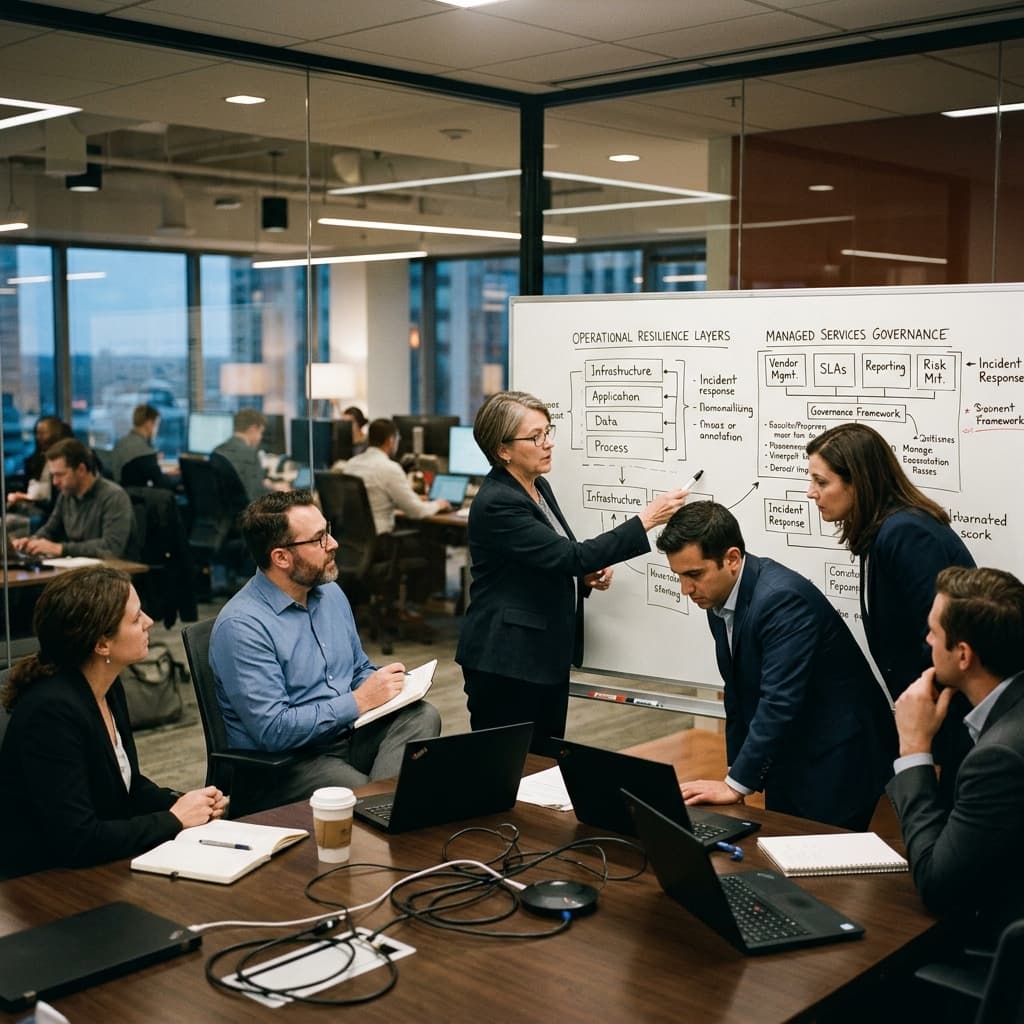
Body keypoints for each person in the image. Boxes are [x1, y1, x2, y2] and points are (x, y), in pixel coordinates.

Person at [454, 391, 689, 755]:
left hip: (539, 653)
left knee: (544, 759)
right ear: (503, 450)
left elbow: (548, 559)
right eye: (535, 437)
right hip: (506, 659)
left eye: (548, 432)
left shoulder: (536, 485)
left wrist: (583, 577)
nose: (548, 444)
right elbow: (570, 554)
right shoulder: (498, 502)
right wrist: (646, 520)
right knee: (506, 766)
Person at [656, 501, 894, 830]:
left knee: (817, 864)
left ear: (732, 560)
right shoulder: (719, 599)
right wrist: (735, 776)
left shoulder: (781, 600)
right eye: (679, 576)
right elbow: (737, 692)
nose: (685, 590)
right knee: (783, 847)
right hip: (792, 750)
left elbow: (778, 700)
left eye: (694, 575)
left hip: (839, 754)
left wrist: (735, 784)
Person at [209, 490, 441, 810]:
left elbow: (356, 667)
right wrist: (359, 701)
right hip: (289, 764)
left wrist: (389, 687)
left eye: (328, 531)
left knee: (420, 716)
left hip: (346, 736)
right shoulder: (242, 626)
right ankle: (382, 811)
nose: (333, 544)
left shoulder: (329, 593)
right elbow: (274, 730)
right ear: (281, 557)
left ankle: (382, 809)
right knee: (373, 795)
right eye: (319, 539)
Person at [0, 566, 227, 875]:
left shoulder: (106, 685)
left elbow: (125, 787)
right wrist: (174, 819)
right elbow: (77, 839)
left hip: (97, 862)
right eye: (135, 619)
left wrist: (183, 801)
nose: (149, 622)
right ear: (102, 644)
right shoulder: (51, 714)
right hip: (44, 881)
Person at [887, 566, 1024, 945]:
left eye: (934, 631)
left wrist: (914, 750)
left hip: (994, 956)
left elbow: (936, 886)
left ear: (963, 654)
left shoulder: (999, 757)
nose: (927, 639)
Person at [805, 422, 975, 702]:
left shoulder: (905, 533)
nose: (811, 492)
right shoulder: (883, 530)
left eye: (822, 482)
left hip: (946, 709)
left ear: (858, 482)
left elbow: (942, 636)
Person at [13, 437, 137, 560]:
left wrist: (61, 548)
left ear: (81, 470)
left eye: (60, 475)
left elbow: (111, 547)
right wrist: (31, 542)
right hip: (80, 571)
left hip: (113, 574)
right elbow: (50, 530)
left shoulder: (114, 496)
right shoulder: (66, 495)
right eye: (53, 476)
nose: (55, 482)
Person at [344, 417, 451, 535]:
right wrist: (439, 504)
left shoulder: (351, 464)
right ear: (391, 441)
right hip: (380, 539)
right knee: (433, 543)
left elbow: (373, 497)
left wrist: (413, 498)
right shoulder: (389, 468)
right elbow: (416, 511)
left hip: (353, 538)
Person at [5, 415, 72, 532]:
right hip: (35, 509)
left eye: (43, 433)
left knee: (9, 523)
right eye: (37, 433)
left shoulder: (65, 462)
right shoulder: (35, 459)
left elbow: (54, 505)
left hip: (44, 512)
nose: (38, 437)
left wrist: (28, 499)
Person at [111, 403, 173, 489]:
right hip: (134, 498)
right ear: (149, 423)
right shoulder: (144, 451)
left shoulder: (121, 443)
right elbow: (162, 483)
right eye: (156, 424)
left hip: (120, 494)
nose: (157, 429)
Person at [213, 407, 267, 503]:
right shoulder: (251, 454)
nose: (260, 437)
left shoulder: (217, 451)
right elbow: (256, 495)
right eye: (261, 432)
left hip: (223, 510)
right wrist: (282, 492)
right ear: (253, 429)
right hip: (244, 513)